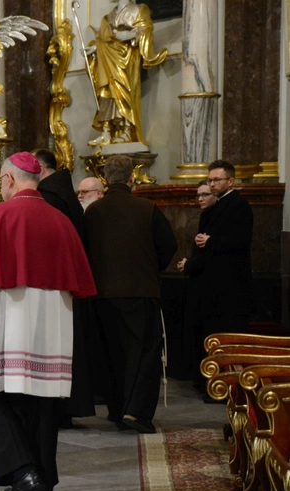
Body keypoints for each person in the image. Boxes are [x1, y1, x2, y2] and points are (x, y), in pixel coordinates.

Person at [0, 152, 96, 491]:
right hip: (51, 332)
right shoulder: (61, 220)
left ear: (8, 180)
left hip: (10, 329)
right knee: (42, 406)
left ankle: (24, 475)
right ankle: (39, 482)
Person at [84, 155, 177, 434]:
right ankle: (136, 412)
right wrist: (152, 268)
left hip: (102, 294)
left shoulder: (93, 212)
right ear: (131, 178)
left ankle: (117, 407)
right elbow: (169, 245)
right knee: (145, 353)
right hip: (141, 291)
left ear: (105, 180)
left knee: (111, 352)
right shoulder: (147, 208)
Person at [32, 149, 93, 426]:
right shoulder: (63, 191)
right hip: (67, 279)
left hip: (53, 281)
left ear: (41, 168)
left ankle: (59, 409)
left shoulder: (49, 197)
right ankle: (66, 407)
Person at [85, 0, 166, 146]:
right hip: (108, 58)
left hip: (127, 60)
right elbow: (103, 39)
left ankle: (128, 131)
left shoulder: (139, 9)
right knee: (107, 92)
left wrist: (132, 34)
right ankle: (106, 132)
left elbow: (147, 28)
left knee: (124, 93)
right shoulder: (108, 17)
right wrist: (95, 48)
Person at [196, 160, 254, 365]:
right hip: (216, 284)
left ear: (230, 181)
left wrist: (210, 241)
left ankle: (227, 386)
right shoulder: (219, 205)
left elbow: (240, 240)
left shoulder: (239, 205)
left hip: (231, 285)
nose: (212, 184)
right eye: (210, 180)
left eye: (216, 180)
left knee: (229, 334)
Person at [176, 181, 218, 387]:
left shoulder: (216, 218)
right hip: (199, 285)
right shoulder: (205, 217)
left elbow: (208, 255)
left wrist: (189, 265)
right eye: (198, 195)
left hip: (211, 287)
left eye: (205, 194)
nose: (200, 198)